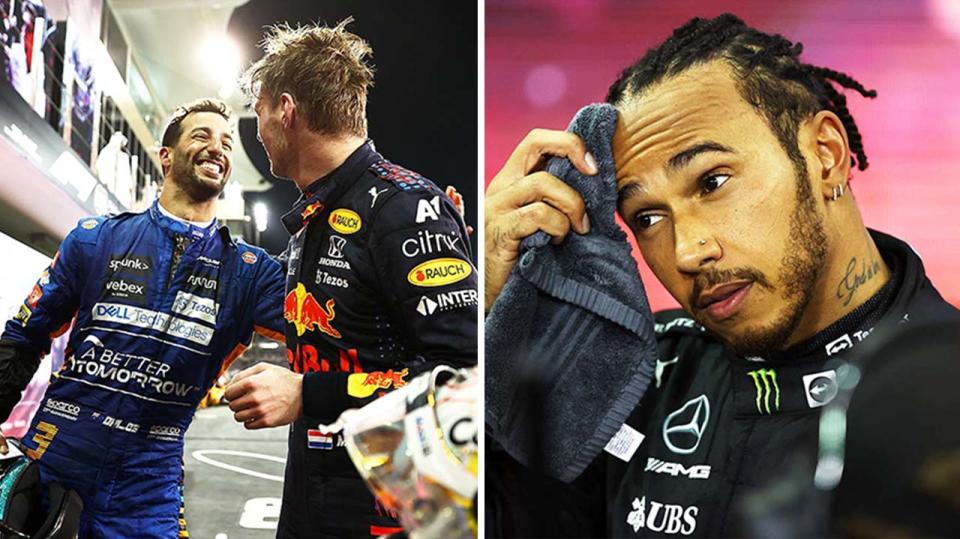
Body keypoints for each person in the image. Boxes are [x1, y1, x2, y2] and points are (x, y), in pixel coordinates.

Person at [484, 13, 959, 537]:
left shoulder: (946, 391)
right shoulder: (627, 377)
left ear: (825, 155)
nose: (688, 251)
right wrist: (491, 308)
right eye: (647, 217)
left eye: (712, 182)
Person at [222, 20, 478, 538]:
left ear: (287, 111)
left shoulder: (404, 206)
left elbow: (466, 376)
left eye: (259, 113)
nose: (258, 129)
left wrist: (306, 393)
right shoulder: (314, 219)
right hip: (316, 497)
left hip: (396, 506)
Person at [0, 98, 286, 538]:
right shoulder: (95, 240)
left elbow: (328, 323)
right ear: (166, 156)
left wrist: (302, 386)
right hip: (55, 462)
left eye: (227, 142)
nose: (218, 148)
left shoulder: (250, 272)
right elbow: (23, 338)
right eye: (202, 136)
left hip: (148, 488)